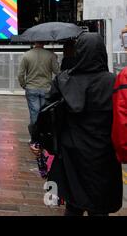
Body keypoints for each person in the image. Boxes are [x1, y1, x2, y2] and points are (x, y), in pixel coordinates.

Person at [40, 33, 123, 216]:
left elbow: (46, 114)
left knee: (73, 205)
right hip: (103, 154)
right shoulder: (111, 81)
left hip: (71, 153)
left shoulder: (63, 80)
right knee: (100, 207)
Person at [18, 42, 59, 139]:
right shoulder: (51, 55)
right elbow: (57, 71)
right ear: (44, 42)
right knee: (46, 113)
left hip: (31, 88)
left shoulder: (26, 55)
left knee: (34, 114)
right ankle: (44, 136)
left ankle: (35, 139)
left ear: (34, 42)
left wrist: (24, 85)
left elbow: (20, 74)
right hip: (46, 88)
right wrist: (55, 59)